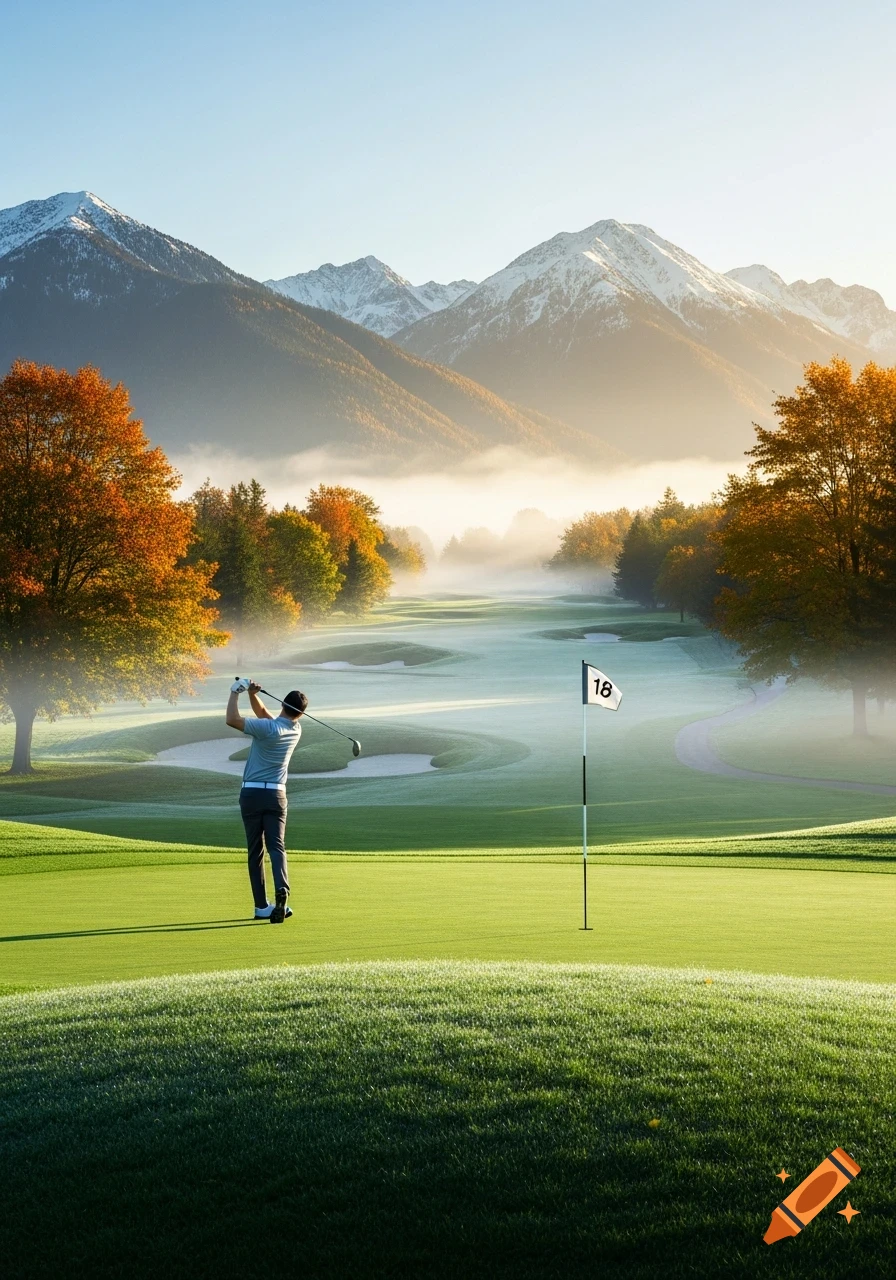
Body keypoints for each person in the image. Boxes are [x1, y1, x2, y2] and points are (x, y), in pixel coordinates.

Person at [226, 679, 308, 923]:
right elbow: (264, 713)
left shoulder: (267, 729)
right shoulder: (295, 730)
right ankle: (282, 888)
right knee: (277, 847)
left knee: (256, 851)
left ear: (282, 704)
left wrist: (235, 692)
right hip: (277, 796)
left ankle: (261, 906)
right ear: (301, 714)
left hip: (252, 794)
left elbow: (232, 719)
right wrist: (253, 694)